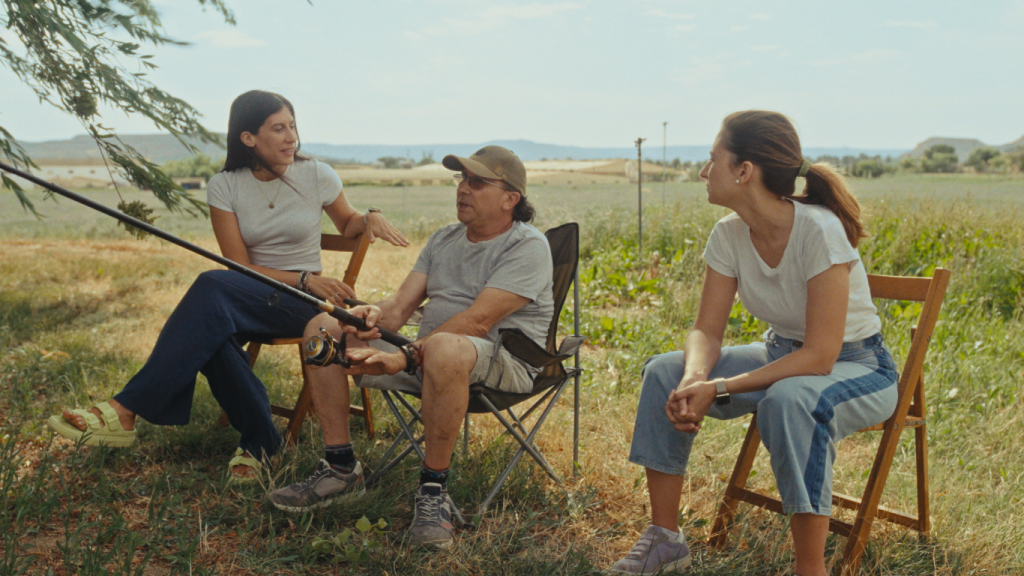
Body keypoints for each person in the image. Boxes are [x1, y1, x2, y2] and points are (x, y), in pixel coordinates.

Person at [45, 90, 409, 482]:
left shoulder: (316, 173)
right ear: (248, 138)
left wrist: (370, 215)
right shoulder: (225, 185)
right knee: (209, 322)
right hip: (258, 293)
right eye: (278, 128)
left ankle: (125, 409)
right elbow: (238, 265)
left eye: (292, 127)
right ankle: (263, 442)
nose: (291, 138)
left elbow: (348, 222)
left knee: (208, 297)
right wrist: (301, 277)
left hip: (306, 305)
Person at [610, 111, 898, 576]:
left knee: (789, 400)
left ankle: (811, 568)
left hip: (859, 368)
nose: (704, 172)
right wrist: (695, 377)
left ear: (744, 171)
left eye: (712, 160)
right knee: (664, 370)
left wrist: (719, 390)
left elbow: (820, 356)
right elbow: (706, 330)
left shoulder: (819, 231)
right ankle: (665, 540)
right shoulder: (728, 233)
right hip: (781, 354)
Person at [266, 145, 553, 548]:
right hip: (426, 351)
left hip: (503, 359)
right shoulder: (444, 238)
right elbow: (400, 307)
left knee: (447, 349)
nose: (464, 189)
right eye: (462, 180)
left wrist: (405, 355)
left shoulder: (528, 246)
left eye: (478, 182)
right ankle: (341, 465)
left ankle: (433, 493)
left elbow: (478, 322)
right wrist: (370, 315)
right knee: (323, 324)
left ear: (511, 199)